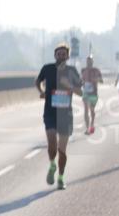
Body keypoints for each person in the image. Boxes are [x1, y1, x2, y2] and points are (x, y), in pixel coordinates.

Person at [35, 42, 83, 190]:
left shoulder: (72, 71)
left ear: (67, 56)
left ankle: (61, 177)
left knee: (62, 150)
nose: (61, 56)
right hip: (50, 112)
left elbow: (80, 92)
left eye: (64, 54)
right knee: (51, 145)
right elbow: (38, 81)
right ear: (55, 55)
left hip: (65, 115)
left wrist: (69, 86)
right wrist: (41, 91)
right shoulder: (47, 68)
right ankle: (52, 165)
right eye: (59, 54)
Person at [80, 55, 103, 135]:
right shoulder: (83, 70)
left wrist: (97, 79)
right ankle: (87, 128)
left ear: (92, 62)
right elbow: (81, 80)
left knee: (92, 110)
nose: (89, 62)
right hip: (86, 93)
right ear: (86, 62)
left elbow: (101, 80)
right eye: (87, 61)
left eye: (90, 61)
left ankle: (92, 124)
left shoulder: (96, 70)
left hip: (94, 93)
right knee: (86, 110)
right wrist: (82, 83)